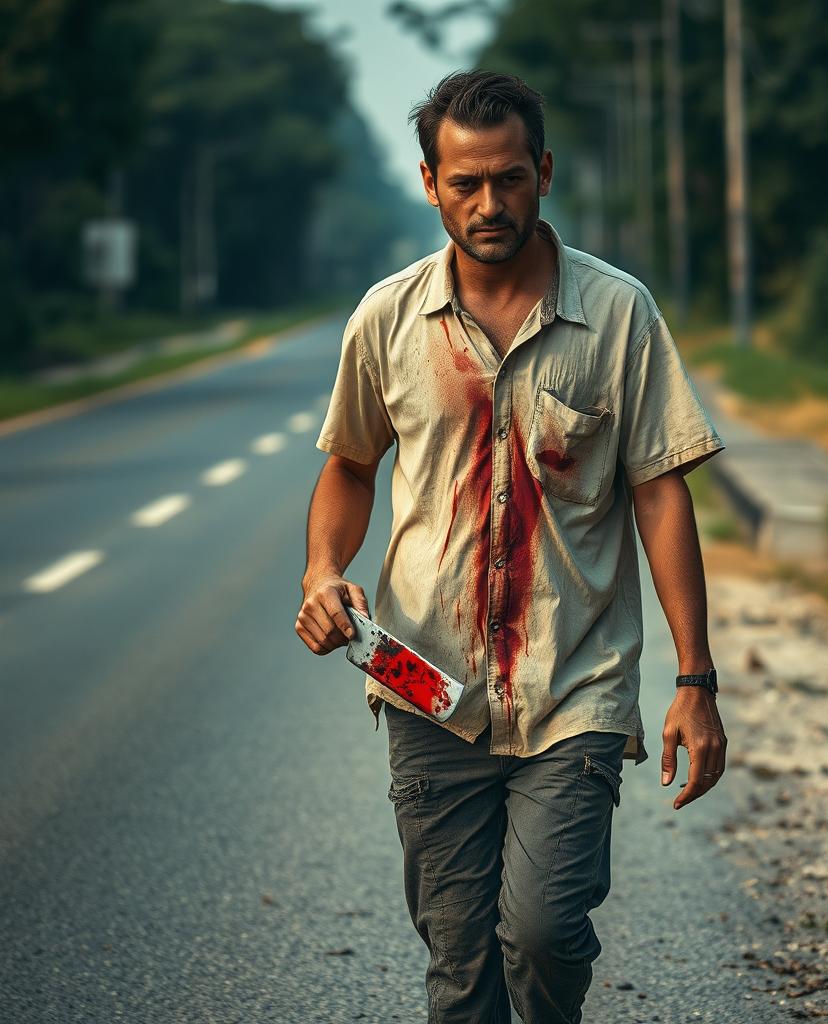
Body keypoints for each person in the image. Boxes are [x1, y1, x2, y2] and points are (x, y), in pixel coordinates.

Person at [295, 69, 728, 1024]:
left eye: (510, 179)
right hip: (423, 684)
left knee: (540, 931)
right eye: (465, 183)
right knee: (458, 960)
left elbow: (660, 493)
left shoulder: (619, 316)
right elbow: (351, 467)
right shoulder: (387, 320)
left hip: (572, 681)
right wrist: (325, 570)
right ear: (430, 182)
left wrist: (695, 682)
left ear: (544, 172)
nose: (489, 205)